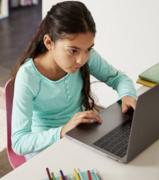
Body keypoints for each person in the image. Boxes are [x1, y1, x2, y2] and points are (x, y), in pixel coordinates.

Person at [11, 1, 137, 159]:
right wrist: (63, 131)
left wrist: (128, 94)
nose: (81, 60)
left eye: (88, 49)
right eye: (73, 51)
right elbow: (19, 142)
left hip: (81, 135)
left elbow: (118, 78)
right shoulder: (28, 76)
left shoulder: (85, 57)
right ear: (49, 43)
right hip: (46, 149)